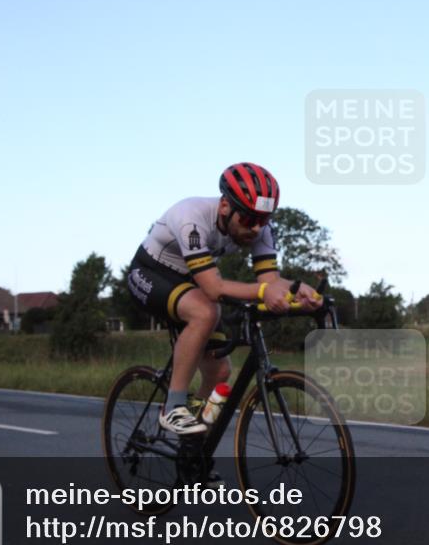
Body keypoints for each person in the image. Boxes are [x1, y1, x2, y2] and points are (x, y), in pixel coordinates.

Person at [127, 162, 322, 435]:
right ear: (224, 207)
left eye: (263, 220)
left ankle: (193, 454)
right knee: (205, 311)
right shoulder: (191, 216)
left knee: (219, 372)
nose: (255, 228)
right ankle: (173, 407)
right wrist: (266, 292)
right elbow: (214, 289)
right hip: (150, 274)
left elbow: (269, 282)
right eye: (248, 219)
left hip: (192, 282)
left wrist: (298, 289)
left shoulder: (260, 229)